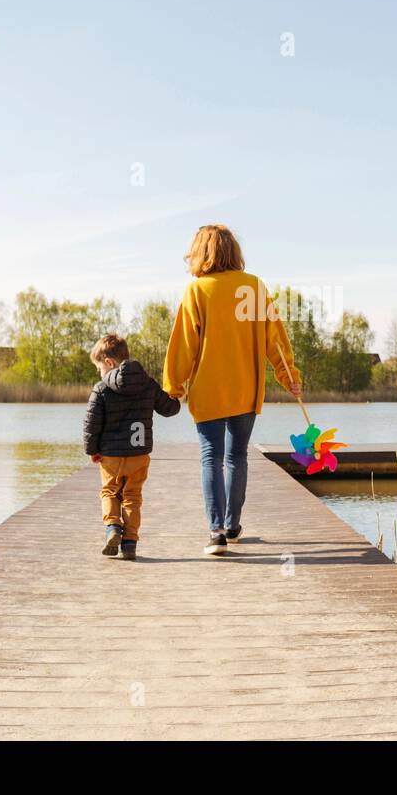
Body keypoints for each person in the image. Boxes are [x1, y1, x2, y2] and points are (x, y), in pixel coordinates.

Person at [163, 224, 301, 556]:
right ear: (233, 251)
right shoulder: (254, 287)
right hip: (245, 388)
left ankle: (216, 533)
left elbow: (183, 344)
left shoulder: (197, 290)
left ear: (200, 253)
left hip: (208, 390)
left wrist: (173, 386)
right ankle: (233, 525)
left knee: (211, 457)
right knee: (236, 457)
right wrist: (288, 375)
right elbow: (276, 342)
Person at [83, 333, 180, 560]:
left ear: (109, 363)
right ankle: (129, 544)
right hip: (139, 454)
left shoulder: (102, 388)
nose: (100, 373)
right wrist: (176, 393)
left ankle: (113, 528)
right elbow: (169, 409)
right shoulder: (147, 384)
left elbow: (91, 423)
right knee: (133, 497)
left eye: (99, 367)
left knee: (109, 492)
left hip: (111, 456)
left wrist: (92, 450)